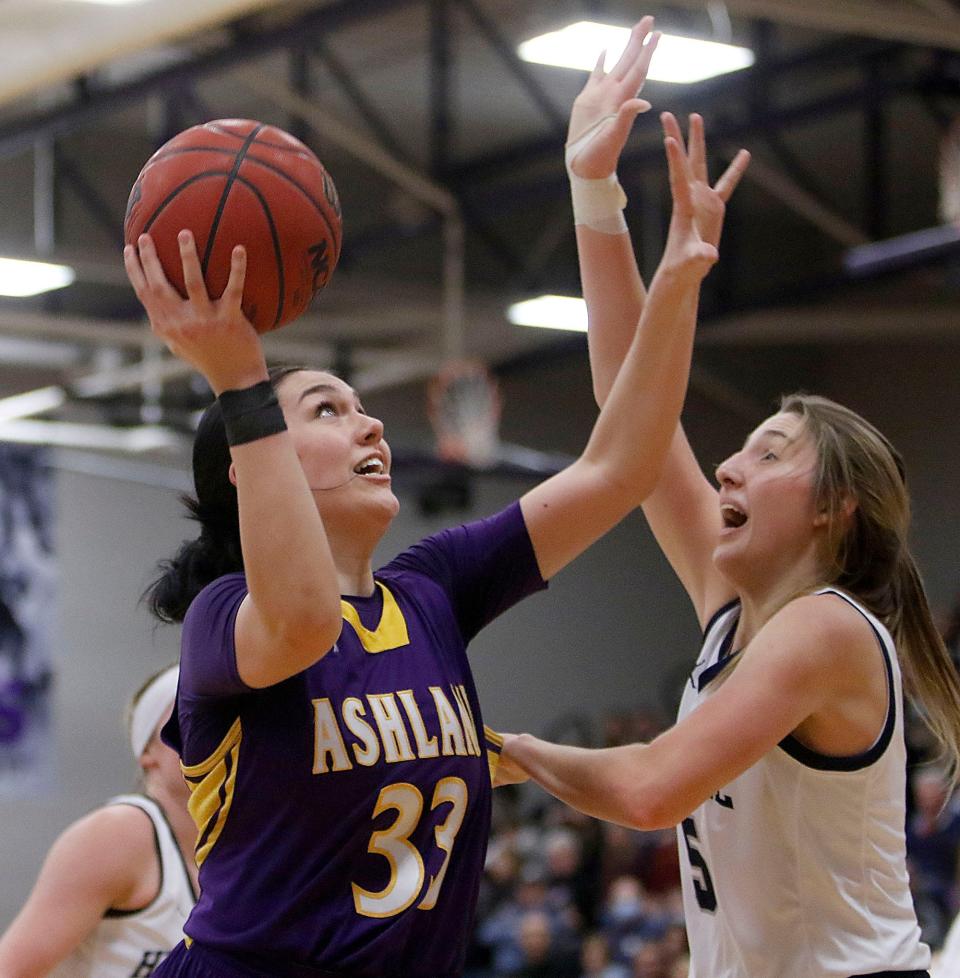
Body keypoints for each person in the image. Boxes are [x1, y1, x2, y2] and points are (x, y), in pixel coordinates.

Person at [118, 23, 723, 973]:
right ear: (253, 462)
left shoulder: (430, 590)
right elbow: (307, 617)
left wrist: (612, 208)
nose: (371, 427)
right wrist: (238, 379)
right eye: (328, 409)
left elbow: (622, 466)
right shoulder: (220, 623)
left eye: (365, 409)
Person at [500, 17, 960, 978]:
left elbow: (651, 788)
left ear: (836, 509)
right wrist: (594, 191)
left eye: (767, 453)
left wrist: (506, 747)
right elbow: (628, 406)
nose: (727, 471)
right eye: (739, 452)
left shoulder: (828, 629)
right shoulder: (732, 616)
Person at [0, 665, 197, 978]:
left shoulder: (250, 847)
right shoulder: (121, 832)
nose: (214, 733)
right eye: (191, 717)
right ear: (147, 750)